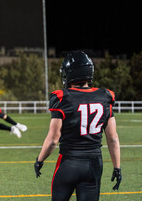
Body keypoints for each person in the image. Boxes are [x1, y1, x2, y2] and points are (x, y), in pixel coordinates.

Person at [34, 51, 122, 201]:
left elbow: (53, 139)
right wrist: (117, 167)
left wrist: (40, 160)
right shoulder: (105, 96)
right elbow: (112, 138)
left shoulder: (62, 97)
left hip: (68, 163)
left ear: (70, 73)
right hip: (93, 165)